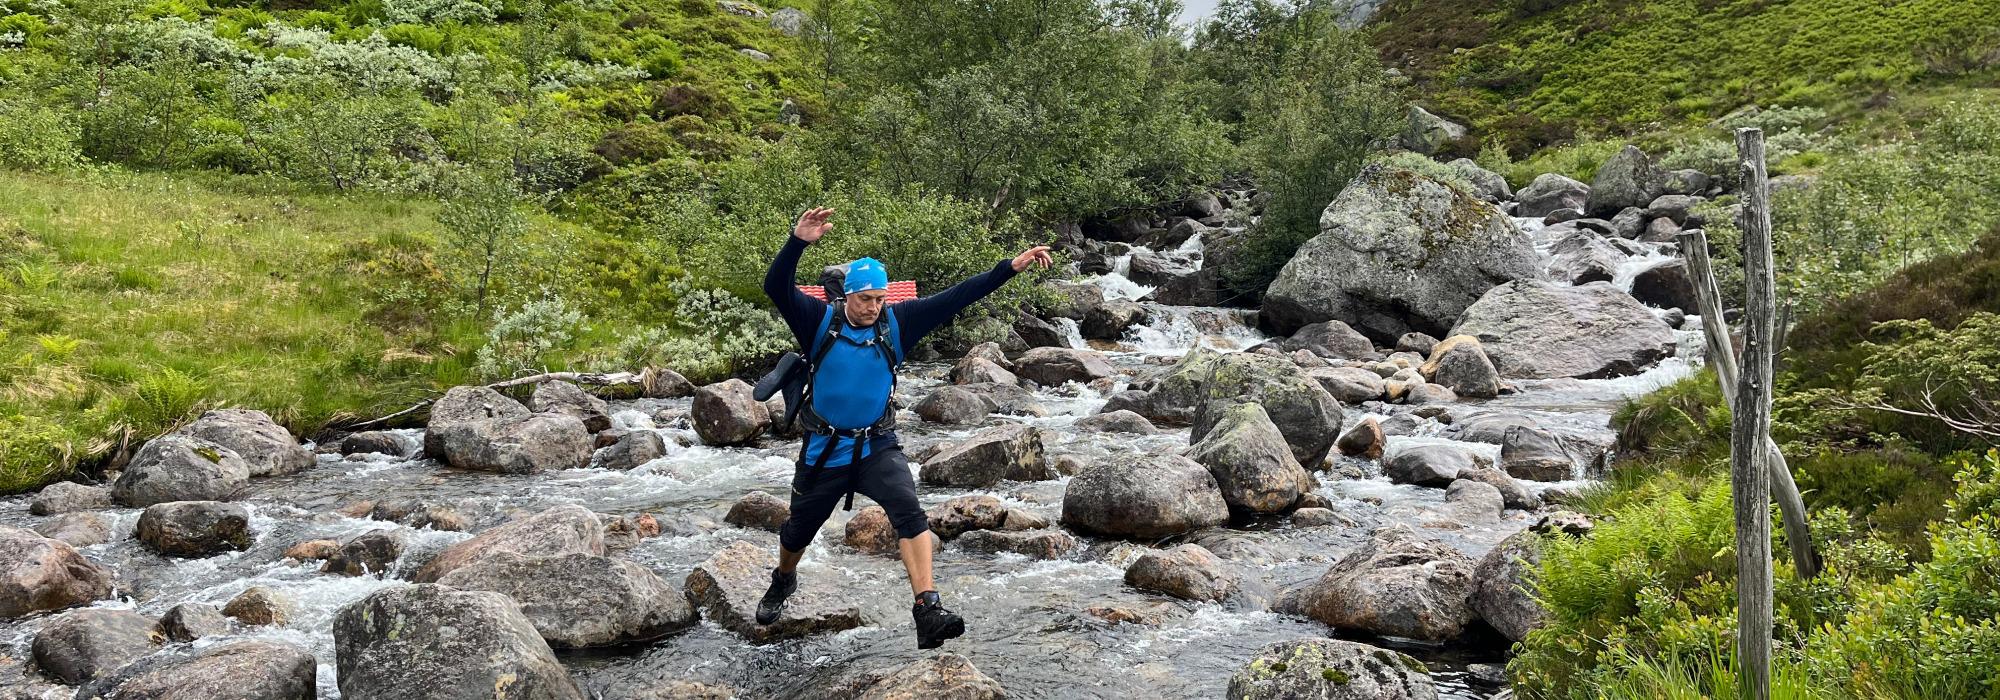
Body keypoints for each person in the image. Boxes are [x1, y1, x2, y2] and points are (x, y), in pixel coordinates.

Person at [756, 206, 1052, 649]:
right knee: (798, 531)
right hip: (824, 449)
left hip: (877, 445)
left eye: (879, 299)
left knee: (910, 514)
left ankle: (927, 608)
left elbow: (959, 295)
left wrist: (1008, 268)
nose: (873, 307)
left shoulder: (899, 322)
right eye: (865, 299)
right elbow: (775, 286)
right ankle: (783, 578)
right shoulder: (817, 320)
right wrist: (797, 242)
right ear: (848, 295)